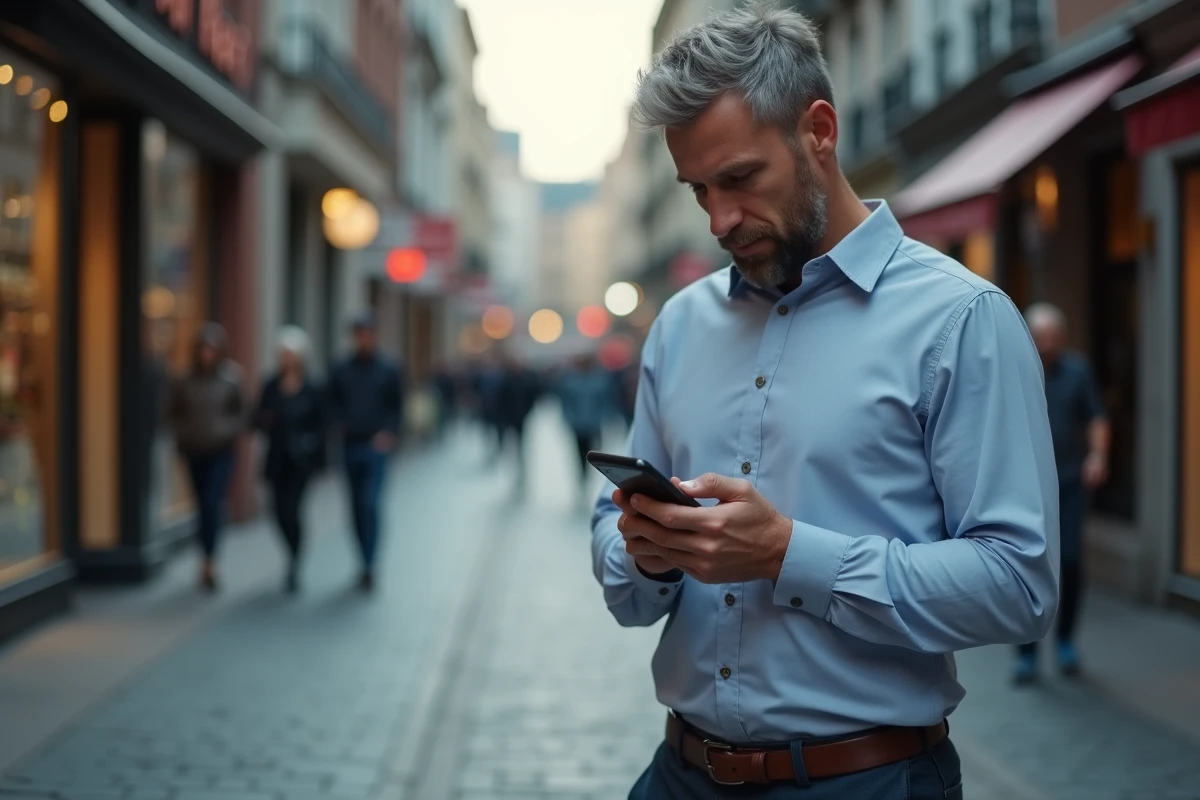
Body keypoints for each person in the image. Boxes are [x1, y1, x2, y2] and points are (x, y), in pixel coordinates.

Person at [591, 5, 1059, 798]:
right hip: (678, 775)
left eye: (739, 179)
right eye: (698, 189)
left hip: (866, 780)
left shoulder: (960, 321)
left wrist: (786, 554)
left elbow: (1019, 586)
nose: (719, 219)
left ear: (819, 130)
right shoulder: (680, 325)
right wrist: (643, 548)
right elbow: (616, 548)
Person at [1015, 303, 1109, 684]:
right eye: (1042, 337)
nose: (1048, 343)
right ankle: (1026, 653)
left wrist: (1098, 456)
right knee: (1024, 565)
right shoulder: (1018, 369)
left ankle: (1066, 640)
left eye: (1055, 336)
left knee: (1069, 561)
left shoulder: (1078, 371)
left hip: (1068, 482)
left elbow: (1097, 417)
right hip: (1025, 484)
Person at [328, 314, 404, 592]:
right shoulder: (342, 369)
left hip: (376, 447)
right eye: (359, 333)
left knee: (370, 504)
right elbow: (332, 403)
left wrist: (389, 433)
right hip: (350, 445)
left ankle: (371, 563)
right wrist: (339, 426)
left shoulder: (388, 369)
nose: (363, 338)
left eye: (367, 333)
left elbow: (397, 407)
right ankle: (362, 559)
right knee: (355, 508)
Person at [170, 323, 247, 592]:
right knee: (202, 504)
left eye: (211, 350)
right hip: (194, 450)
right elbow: (174, 413)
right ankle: (204, 556)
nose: (206, 355)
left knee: (213, 502)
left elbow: (242, 415)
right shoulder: (185, 379)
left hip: (220, 451)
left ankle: (211, 560)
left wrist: (224, 430)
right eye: (202, 349)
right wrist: (182, 440)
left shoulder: (231, 378)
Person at [255, 327, 327, 594]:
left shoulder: (313, 386)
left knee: (293, 510)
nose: (286, 358)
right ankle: (291, 553)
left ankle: (294, 561)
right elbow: (257, 416)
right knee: (277, 512)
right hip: (276, 458)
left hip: (301, 462)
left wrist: (311, 446)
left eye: (290, 354)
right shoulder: (271, 385)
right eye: (282, 353)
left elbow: (322, 423)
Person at [556, 352, 618, 501]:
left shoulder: (599, 380)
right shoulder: (570, 381)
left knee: (592, 452)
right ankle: (581, 476)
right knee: (579, 452)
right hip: (578, 425)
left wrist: (603, 417)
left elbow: (605, 401)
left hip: (593, 424)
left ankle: (586, 476)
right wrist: (569, 419)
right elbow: (566, 403)